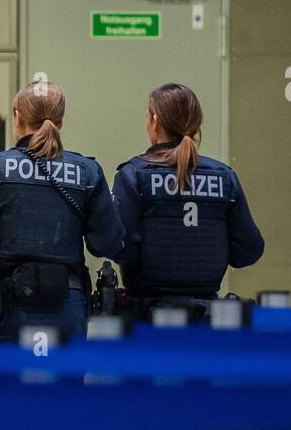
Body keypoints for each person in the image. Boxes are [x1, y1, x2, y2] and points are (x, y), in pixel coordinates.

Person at [0, 80, 124, 343]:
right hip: (69, 307)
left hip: (7, 309)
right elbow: (107, 243)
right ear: (61, 121)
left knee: (7, 383)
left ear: (17, 117)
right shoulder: (88, 172)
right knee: (64, 384)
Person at [111, 83, 263, 316]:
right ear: (196, 124)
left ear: (154, 120)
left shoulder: (134, 175)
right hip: (207, 320)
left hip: (147, 319)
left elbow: (122, 247)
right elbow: (249, 250)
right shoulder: (224, 177)